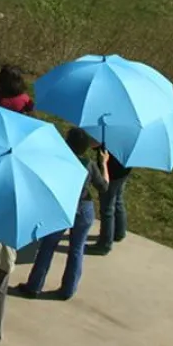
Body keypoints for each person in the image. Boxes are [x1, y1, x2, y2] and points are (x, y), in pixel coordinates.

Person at [18, 128, 108, 300]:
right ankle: (68, 290)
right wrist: (104, 164)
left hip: (62, 206)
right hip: (84, 208)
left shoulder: (58, 161)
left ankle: (34, 286)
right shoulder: (89, 165)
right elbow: (103, 187)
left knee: (48, 246)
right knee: (77, 249)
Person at [89, 152, 132, 255]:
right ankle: (119, 233)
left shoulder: (109, 137)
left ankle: (104, 245)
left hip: (110, 172)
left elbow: (95, 144)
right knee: (118, 200)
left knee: (107, 209)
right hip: (124, 169)